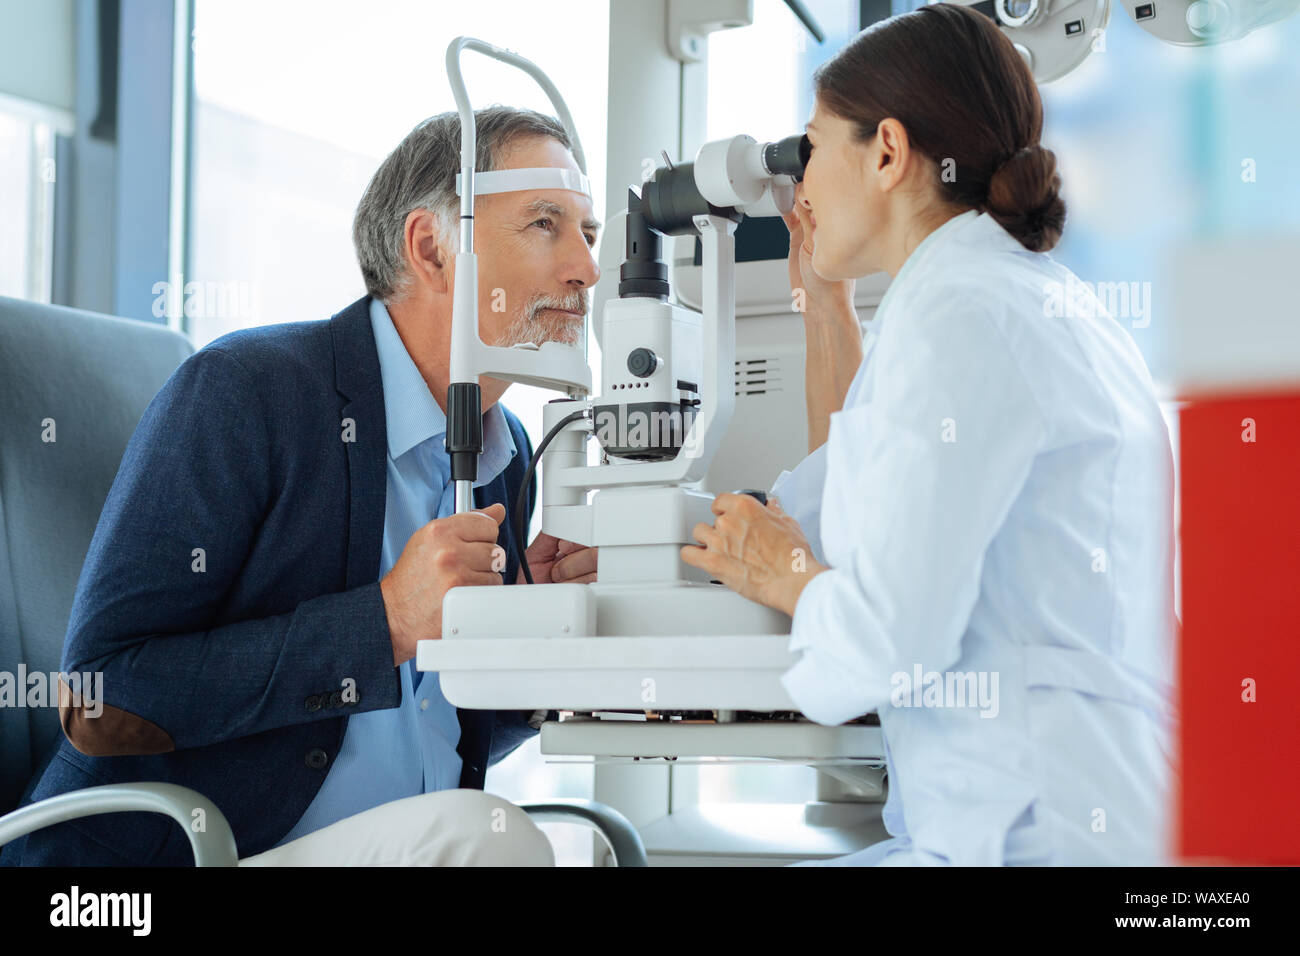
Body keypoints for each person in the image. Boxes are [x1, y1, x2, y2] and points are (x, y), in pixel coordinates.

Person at [3, 106, 599, 866]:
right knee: (492, 842)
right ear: (432, 249)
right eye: (546, 224)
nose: (586, 267)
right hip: (143, 872)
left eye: (589, 232)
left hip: (382, 848)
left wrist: (523, 642)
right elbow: (100, 699)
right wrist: (383, 622)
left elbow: (441, 733)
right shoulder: (247, 394)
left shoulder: (505, 450)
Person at [681, 3, 1175, 865]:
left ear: (886, 153)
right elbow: (845, 506)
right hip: (1082, 815)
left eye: (812, 148)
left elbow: (886, 638)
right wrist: (827, 306)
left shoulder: (961, 318)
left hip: (1036, 834)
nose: (799, 188)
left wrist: (782, 569)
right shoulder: (1011, 298)